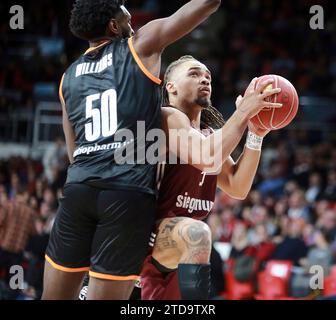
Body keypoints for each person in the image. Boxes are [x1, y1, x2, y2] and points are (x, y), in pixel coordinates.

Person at [42, 0, 224, 300]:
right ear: (114, 26)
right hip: (126, 193)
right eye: (127, 15)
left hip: (79, 190)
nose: (133, 21)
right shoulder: (140, 45)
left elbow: (73, 152)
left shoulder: (69, 77)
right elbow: (207, 4)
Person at [140, 55, 282, 300]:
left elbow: (237, 187)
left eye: (207, 76)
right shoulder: (166, 117)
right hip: (150, 238)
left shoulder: (209, 136)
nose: (204, 79)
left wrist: (255, 134)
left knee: (197, 234)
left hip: (182, 249)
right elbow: (207, 156)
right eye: (194, 74)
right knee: (199, 233)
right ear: (170, 86)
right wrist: (245, 111)